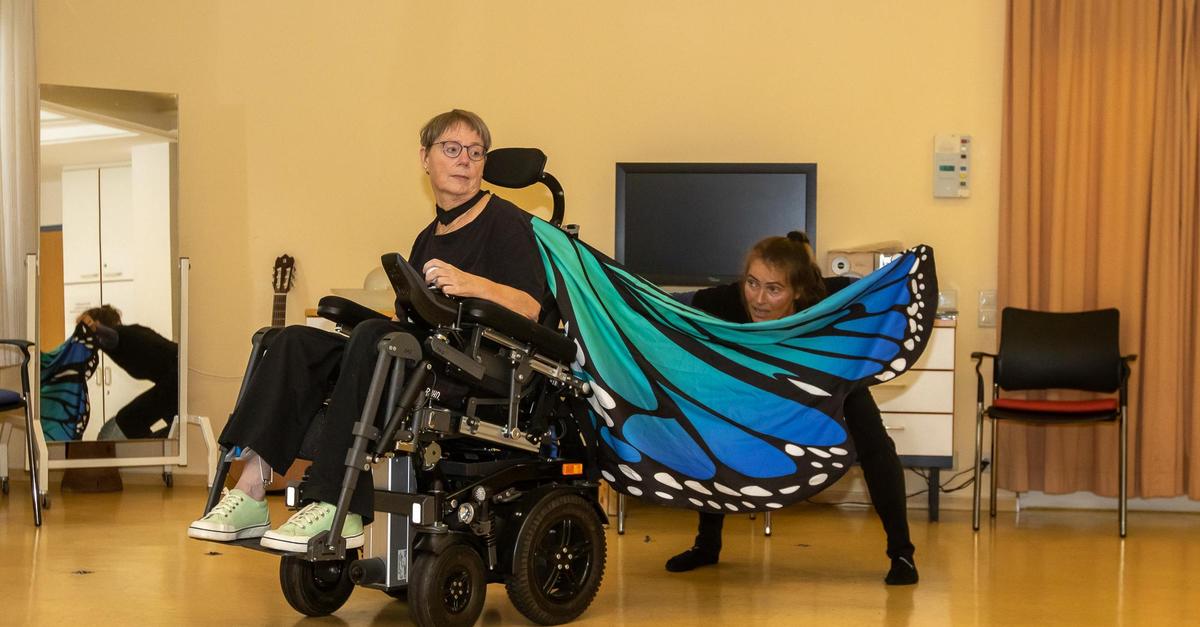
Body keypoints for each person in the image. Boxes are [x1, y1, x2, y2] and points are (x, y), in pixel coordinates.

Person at [188, 109, 546, 552]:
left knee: (376, 338)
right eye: (452, 149)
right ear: (425, 158)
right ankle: (250, 489)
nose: (464, 161)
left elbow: (530, 306)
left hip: (470, 366)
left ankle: (337, 503)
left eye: (475, 153)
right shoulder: (428, 236)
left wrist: (471, 284)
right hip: (424, 354)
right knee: (290, 341)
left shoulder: (506, 222)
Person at [664, 231, 919, 586]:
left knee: (875, 444)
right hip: (758, 390)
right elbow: (665, 304)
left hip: (825, 384)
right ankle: (706, 545)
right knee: (715, 435)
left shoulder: (824, 298)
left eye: (774, 289)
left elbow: (869, 290)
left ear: (798, 291)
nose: (758, 299)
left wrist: (906, 270)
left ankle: (902, 554)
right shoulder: (728, 299)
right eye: (752, 283)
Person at [76, 305, 179, 440]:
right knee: (174, 425)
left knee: (124, 424)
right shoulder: (133, 332)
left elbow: (112, 335)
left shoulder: (119, 338)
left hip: (177, 380)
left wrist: (94, 328)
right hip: (176, 381)